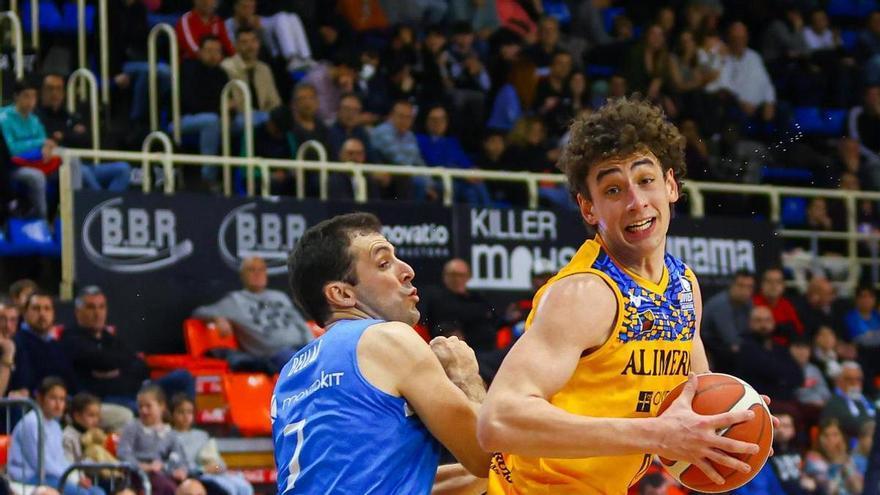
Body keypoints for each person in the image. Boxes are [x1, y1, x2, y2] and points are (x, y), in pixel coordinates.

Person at [477, 97, 766, 493]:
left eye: (645, 180)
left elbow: (697, 393)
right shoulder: (585, 293)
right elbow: (497, 421)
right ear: (589, 208)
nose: (636, 201)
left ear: (670, 185)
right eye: (613, 189)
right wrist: (655, 434)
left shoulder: (683, 286)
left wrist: (735, 422)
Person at [273, 212, 489, 494]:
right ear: (342, 294)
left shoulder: (289, 374)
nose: (408, 270)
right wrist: (465, 375)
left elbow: (376, 483)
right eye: (384, 263)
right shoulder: (386, 338)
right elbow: (487, 457)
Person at [192, 256, 312, 374]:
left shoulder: (280, 296)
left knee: (325, 360)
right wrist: (217, 318)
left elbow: (300, 323)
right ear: (242, 275)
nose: (257, 273)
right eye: (251, 270)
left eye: (261, 270)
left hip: (302, 347)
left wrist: (314, 346)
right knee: (302, 367)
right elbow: (198, 312)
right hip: (274, 354)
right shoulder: (234, 301)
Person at [8, 377, 105, 495]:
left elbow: (60, 459)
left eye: (62, 399)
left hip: (52, 476)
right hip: (31, 476)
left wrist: (77, 476)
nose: (58, 404)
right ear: (39, 398)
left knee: (98, 492)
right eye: (53, 398)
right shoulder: (32, 422)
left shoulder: (55, 425)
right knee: (83, 494)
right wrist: (72, 479)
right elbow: (42, 464)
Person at [169, 395, 253, 495]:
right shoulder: (169, 436)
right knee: (229, 489)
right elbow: (179, 467)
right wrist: (203, 470)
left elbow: (219, 465)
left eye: (189, 412)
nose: (185, 416)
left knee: (244, 487)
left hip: (215, 472)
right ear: (172, 414)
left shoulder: (202, 435)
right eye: (180, 412)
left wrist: (216, 468)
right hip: (197, 476)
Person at [117, 385, 189, 495]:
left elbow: (180, 459)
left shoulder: (171, 434)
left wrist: (181, 471)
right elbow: (123, 453)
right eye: (140, 407)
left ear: (162, 406)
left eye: (148, 406)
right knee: (166, 487)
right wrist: (143, 466)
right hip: (136, 478)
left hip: (163, 475)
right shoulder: (132, 427)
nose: (144, 411)